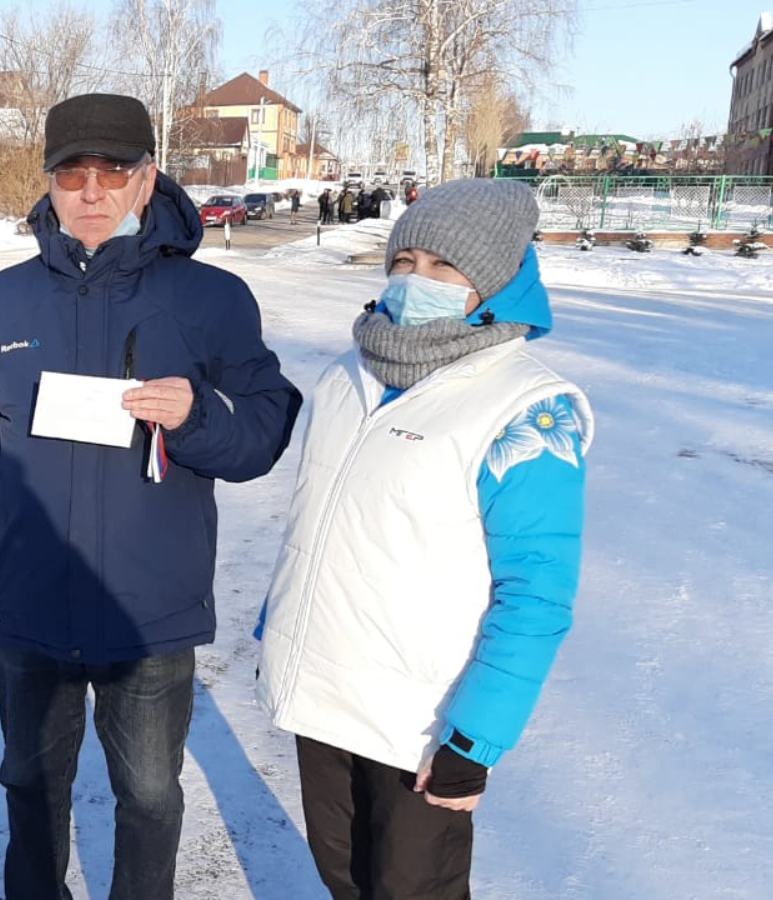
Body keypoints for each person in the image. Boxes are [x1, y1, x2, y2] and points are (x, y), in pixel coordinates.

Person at [0, 92, 303, 900]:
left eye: (113, 170)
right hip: (28, 605)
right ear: (49, 181)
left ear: (148, 177)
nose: (92, 191)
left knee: (151, 796)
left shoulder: (210, 300)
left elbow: (265, 430)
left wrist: (198, 416)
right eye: (72, 173)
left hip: (148, 614)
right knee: (30, 786)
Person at [255, 178, 593, 900]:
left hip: (421, 721)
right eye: (405, 261)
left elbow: (536, 593)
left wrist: (477, 735)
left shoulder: (527, 409)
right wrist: (277, 630)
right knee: (345, 880)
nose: (417, 279)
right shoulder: (349, 373)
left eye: (445, 266)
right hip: (324, 695)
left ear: (495, 281)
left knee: (413, 890)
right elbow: (320, 524)